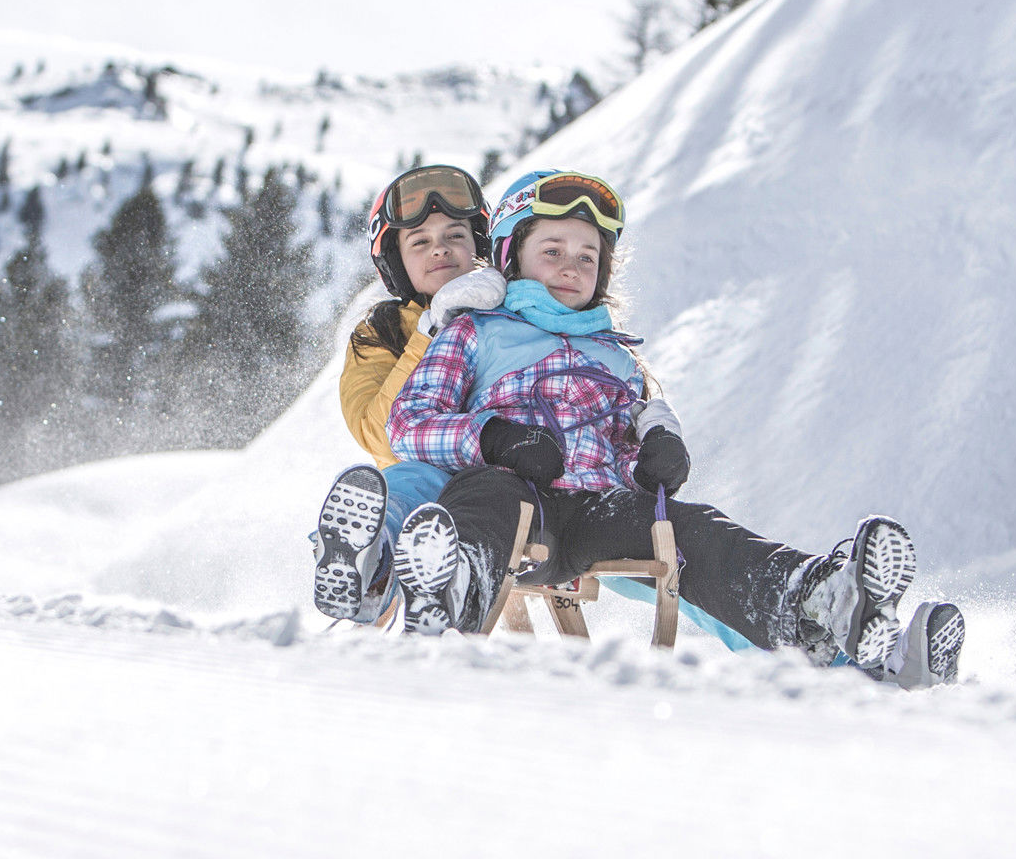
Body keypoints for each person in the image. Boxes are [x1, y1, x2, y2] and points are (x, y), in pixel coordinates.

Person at [384, 168, 963, 685]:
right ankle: (450, 591)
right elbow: (408, 424)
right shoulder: (476, 331)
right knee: (486, 496)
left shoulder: (616, 356)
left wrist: (660, 446)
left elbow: (641, 421)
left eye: (588, 257)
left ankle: (817, 602)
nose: (571, 266)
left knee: (691, 529)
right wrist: (492, 438)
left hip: (595, 508)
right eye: (553, 250)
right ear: (512, 256)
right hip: (512, 498)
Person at [310, 163, 510, 633]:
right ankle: (365, 559)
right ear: (397, 261)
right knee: (409, 480)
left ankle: (401, 578)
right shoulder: (380, 333)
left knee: (469, 492)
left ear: (479, 247)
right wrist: (431, 330)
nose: (439, 247)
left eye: (455, 235)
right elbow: (377, 434)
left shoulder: (517, 312)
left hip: (506, 476)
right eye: (419, 241)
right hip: (424, 475)